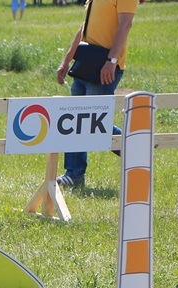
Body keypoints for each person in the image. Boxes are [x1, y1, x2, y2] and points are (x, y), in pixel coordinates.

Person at [55, 0, 139, 189]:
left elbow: (125, 24)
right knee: (78, 119)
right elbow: (85, 27)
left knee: (94, 122)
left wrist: (111, 60)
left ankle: (137, 150)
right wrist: (67, 60)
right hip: (86, 62)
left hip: (105, 65)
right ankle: (73, 174)